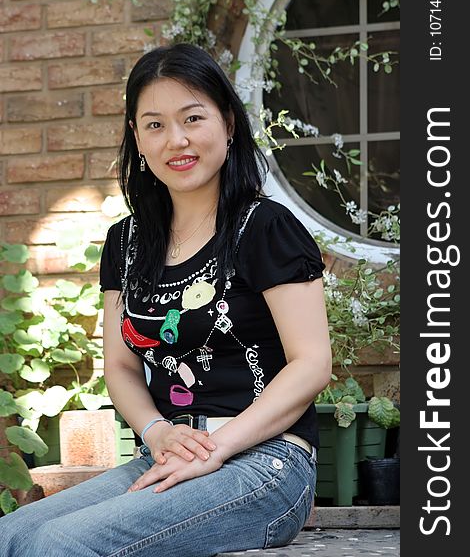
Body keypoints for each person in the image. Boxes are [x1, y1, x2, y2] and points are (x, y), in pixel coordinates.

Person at [0, 43, 332, 557]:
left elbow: (311, 364)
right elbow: (121, 366)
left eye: (193, 118)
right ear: (136, 136)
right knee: (12, 536)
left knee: (57, 546)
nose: (176, 140)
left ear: (227, 122)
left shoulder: (265, 228)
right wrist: (156, 433)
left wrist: (215, 448)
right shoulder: (126, 242)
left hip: (266, 463)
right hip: (165, 453)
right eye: (154, 124)